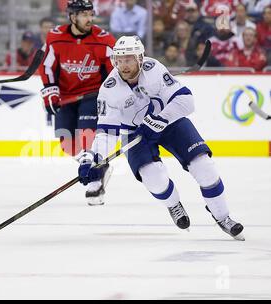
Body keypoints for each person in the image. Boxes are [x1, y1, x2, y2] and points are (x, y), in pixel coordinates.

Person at [77, 35, 245, 240]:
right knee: (154, 179)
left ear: (140, 58)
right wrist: (94, 161)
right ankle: (173, 205)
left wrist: (158, 120)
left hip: (169, 122)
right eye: (119, 60)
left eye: (128, 59)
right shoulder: (109, 90)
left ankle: (223, 216)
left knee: (205, 167)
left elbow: (186, 101)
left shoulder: (154, 69)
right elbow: (106, 132)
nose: (123, 65)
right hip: (134, 133)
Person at [39, 0, 116, 205]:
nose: (90, 19)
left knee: (86, 136)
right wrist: (50, 92)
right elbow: (47, 67)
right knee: (66, 142)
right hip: (66, 96)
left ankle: (95, 180)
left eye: (91, 14)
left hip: (92, 95)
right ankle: (99, 166)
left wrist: (109, 93)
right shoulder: (56, 37)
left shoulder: (104, 39)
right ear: (72, 17)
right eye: (84, 15)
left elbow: (114, 72)